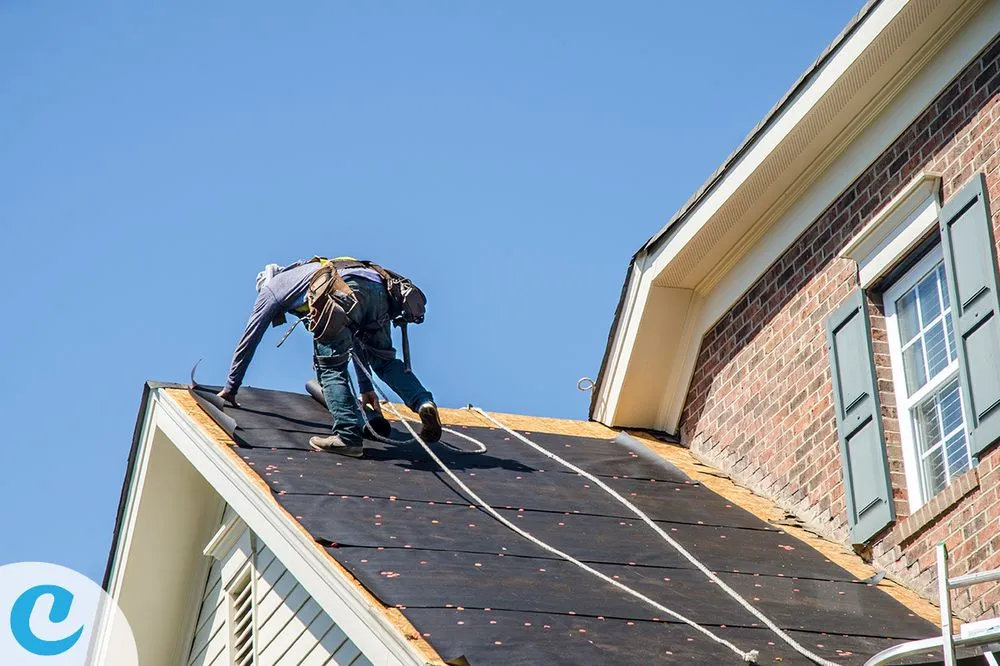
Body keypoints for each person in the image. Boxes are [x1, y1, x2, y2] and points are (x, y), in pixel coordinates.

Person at [218, 258, 441, 458]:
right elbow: (357, 333)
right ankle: (424, 402)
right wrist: (365, 389)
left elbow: (250, 338)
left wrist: (231, 387)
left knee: (330, 368)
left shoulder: (272, 289)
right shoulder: (310, 269)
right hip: (376, 288)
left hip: (339, 292)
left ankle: (347, 437)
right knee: (385, 361)